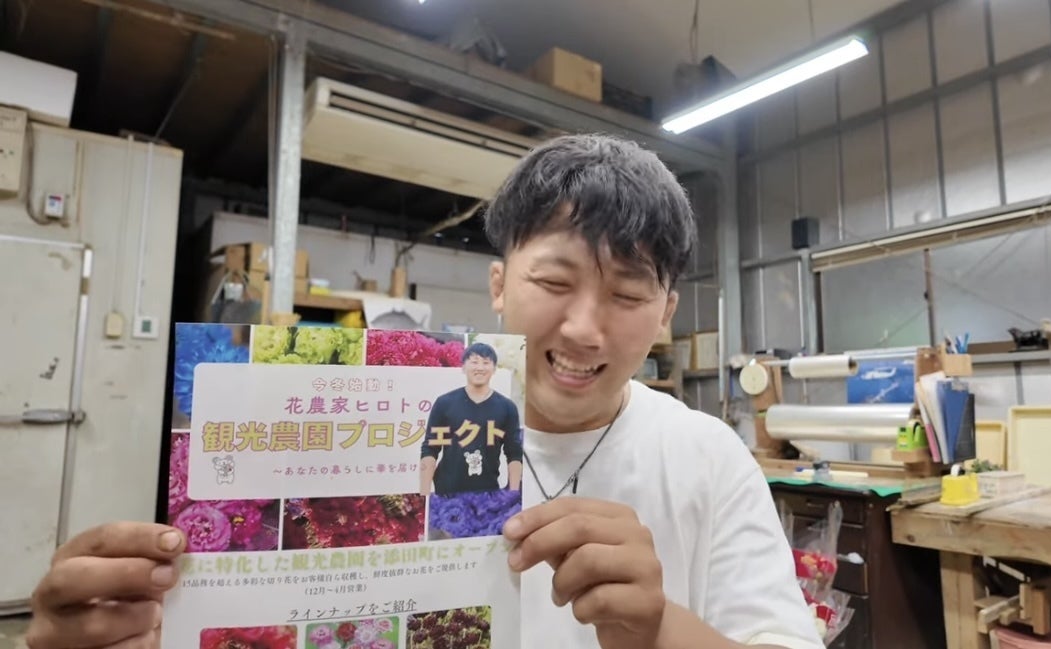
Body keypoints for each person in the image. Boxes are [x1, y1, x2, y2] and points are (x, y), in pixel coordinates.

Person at [26, 134, 825, 649]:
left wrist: (658, 630)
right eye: (555, 281)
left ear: (666, 311)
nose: (585, 328)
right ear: (499, 285)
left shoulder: (707, 456)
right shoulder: (372, 427)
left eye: (626, 294)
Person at [418, 341, 523, 496]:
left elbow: (514, 454)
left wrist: (513, 493)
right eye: (474, 362)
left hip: (487, 494)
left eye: (486, 363)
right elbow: (430, 448)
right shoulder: (444, 403)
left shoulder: (507, 407)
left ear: (494, 369)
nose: (480, 368)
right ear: (463, 367)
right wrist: (424, 493)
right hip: (447, 493)